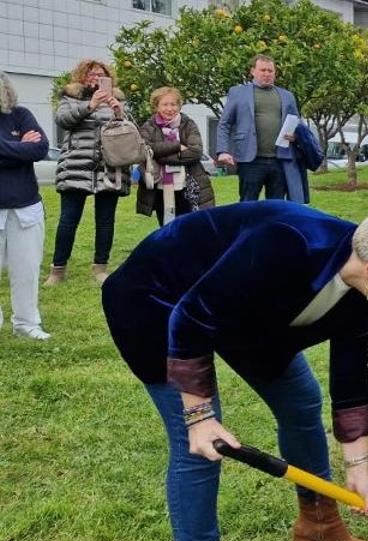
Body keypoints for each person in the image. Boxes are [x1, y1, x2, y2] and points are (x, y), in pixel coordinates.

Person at [101, 201, 368, 541]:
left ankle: (320, 526)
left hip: (247, 312)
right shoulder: (287, 243)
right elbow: (191, 317)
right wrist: (199, 417)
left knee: (301, 401)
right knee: (200, 446)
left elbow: (350, 377)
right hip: (156, 301)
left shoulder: (363, 287)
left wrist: (358, 467)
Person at [46, 59, 129, 286]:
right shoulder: (70, 97)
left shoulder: (119, 98)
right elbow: (63, 120)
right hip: (75, 166)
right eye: (91, 74)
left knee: (105, 221)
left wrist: (118, 110)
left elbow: (131, 129)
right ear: (82, 76)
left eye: (100, 74)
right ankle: (58, 270)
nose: (95, 77)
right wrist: (90, 105)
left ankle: (101, 267)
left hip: (109, 167)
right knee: (68, 220)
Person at [0, 70, 51, 340]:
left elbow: (41, 148)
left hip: (25, 207)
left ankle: (27, 323)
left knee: (27, 269)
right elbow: (27, 151)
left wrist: (5, 148)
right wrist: (18, 148)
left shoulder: (20, 115)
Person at [215, 54, 304, 203]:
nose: (267, 74)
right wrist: (222, 150)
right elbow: (224, 124)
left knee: (277, 207)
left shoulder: (288, 96)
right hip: (250, 160)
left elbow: (297, 124)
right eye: (263, 70)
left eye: (270, 71)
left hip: (280, 160)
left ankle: (274, 228)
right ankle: (247, 227)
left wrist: (296, 136)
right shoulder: (237, 93)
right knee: (248, 204)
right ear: (253, 71)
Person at [136, 87, 215, 226]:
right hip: (159, 186)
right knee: (166, 226)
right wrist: (176, 146)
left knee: (187, 226)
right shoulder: (149, 126)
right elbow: (145, 149)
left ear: (179, 105)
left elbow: (196, 152)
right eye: (165, 104)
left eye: (173, 104)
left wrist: (160, 155)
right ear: (156, 106)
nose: (169, 108)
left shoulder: (188, 124)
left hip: (186, 185)